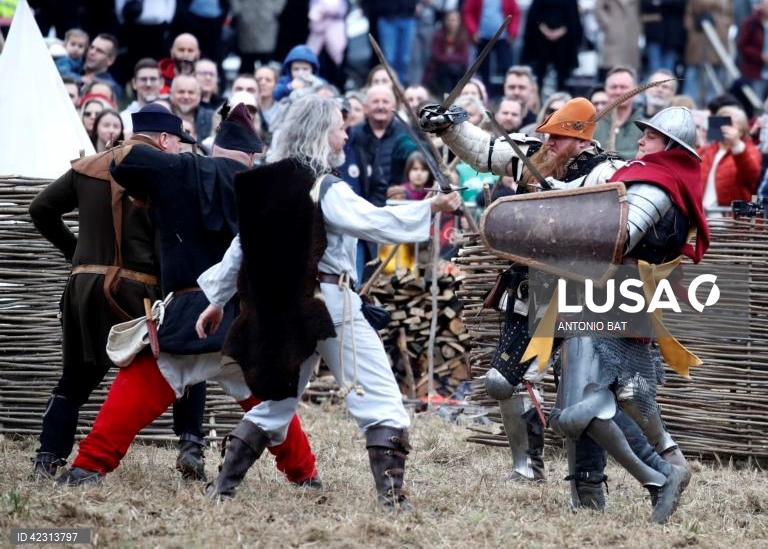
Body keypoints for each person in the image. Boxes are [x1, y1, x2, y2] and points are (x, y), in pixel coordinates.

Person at [419, 99, 694, 514]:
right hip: (533, 289)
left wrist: (563, 199)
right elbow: (487, 151)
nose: (549, 141)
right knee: (505, 383)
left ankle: (609, 486)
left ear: (580, 139)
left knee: (592, 402)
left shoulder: (608, 171)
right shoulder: (534, 155)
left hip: (583, 295)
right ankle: (529, 465)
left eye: (559, 136)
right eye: (547, 132)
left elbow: (615, 228)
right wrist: (451, 126)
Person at [195, 94, 462, 508]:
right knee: (382, 401)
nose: (345, 134)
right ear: (322, 132)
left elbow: (240, 247)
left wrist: (217, 299)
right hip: (329, 302)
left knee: (277, 401)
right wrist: (432, 206)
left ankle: (223, 488)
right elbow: (373, 221)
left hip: (283, 306)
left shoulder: (266, 183)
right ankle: (392, 500)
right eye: (340, 127)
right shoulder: (325, 186)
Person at [55, 103, 321, 488]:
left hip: (192, 310)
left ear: (215, 148)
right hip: (245, 317)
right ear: (250, 154)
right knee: (272, 404)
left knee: (136, 388)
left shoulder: (180, 168)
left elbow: (125, 162)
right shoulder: (264, 186)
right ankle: (306, 476)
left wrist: (156, 177)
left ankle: (88, 467)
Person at [27, 104, 205, 481]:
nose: (179, 150)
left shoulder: (88, 166)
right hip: (137, 292)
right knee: (187, 360)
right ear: (163, 139)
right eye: (178, 142)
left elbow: (40, 209)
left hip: (82, 288)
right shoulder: (166, 172)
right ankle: (190, 446)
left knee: (74, 379)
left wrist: (75, 254)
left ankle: (47, 457)